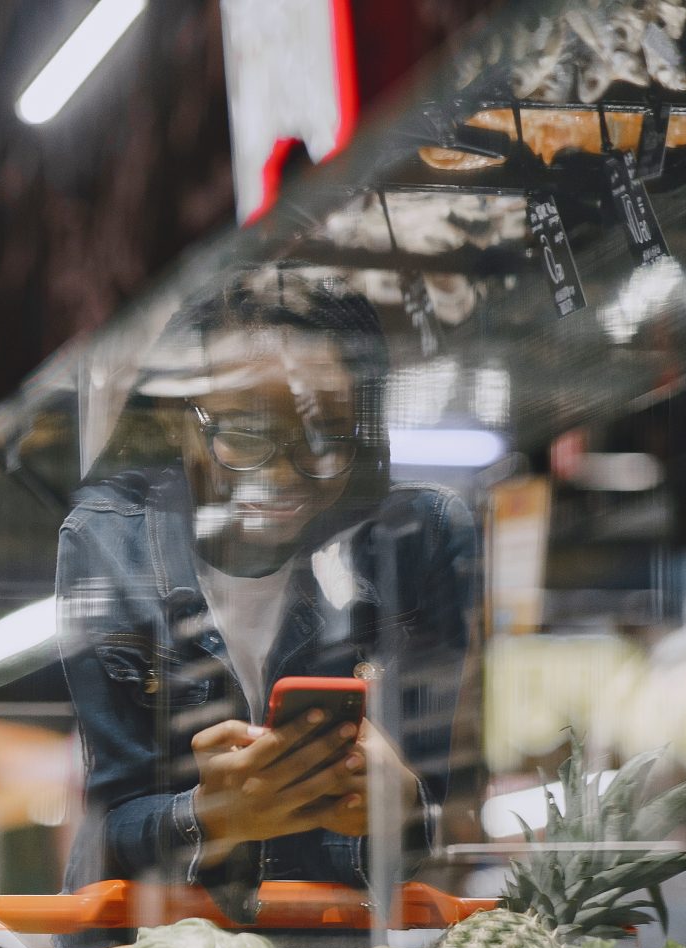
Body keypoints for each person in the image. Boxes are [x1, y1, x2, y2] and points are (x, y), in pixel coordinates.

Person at [54, 274, 479, 915]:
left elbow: (442, 818)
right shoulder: (112, 543)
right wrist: (206, 817)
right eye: (247, 437)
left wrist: (404, 811)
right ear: (180, 419)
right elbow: (110, 826)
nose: (282, 478)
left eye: (325, 438)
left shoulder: (418, 541)